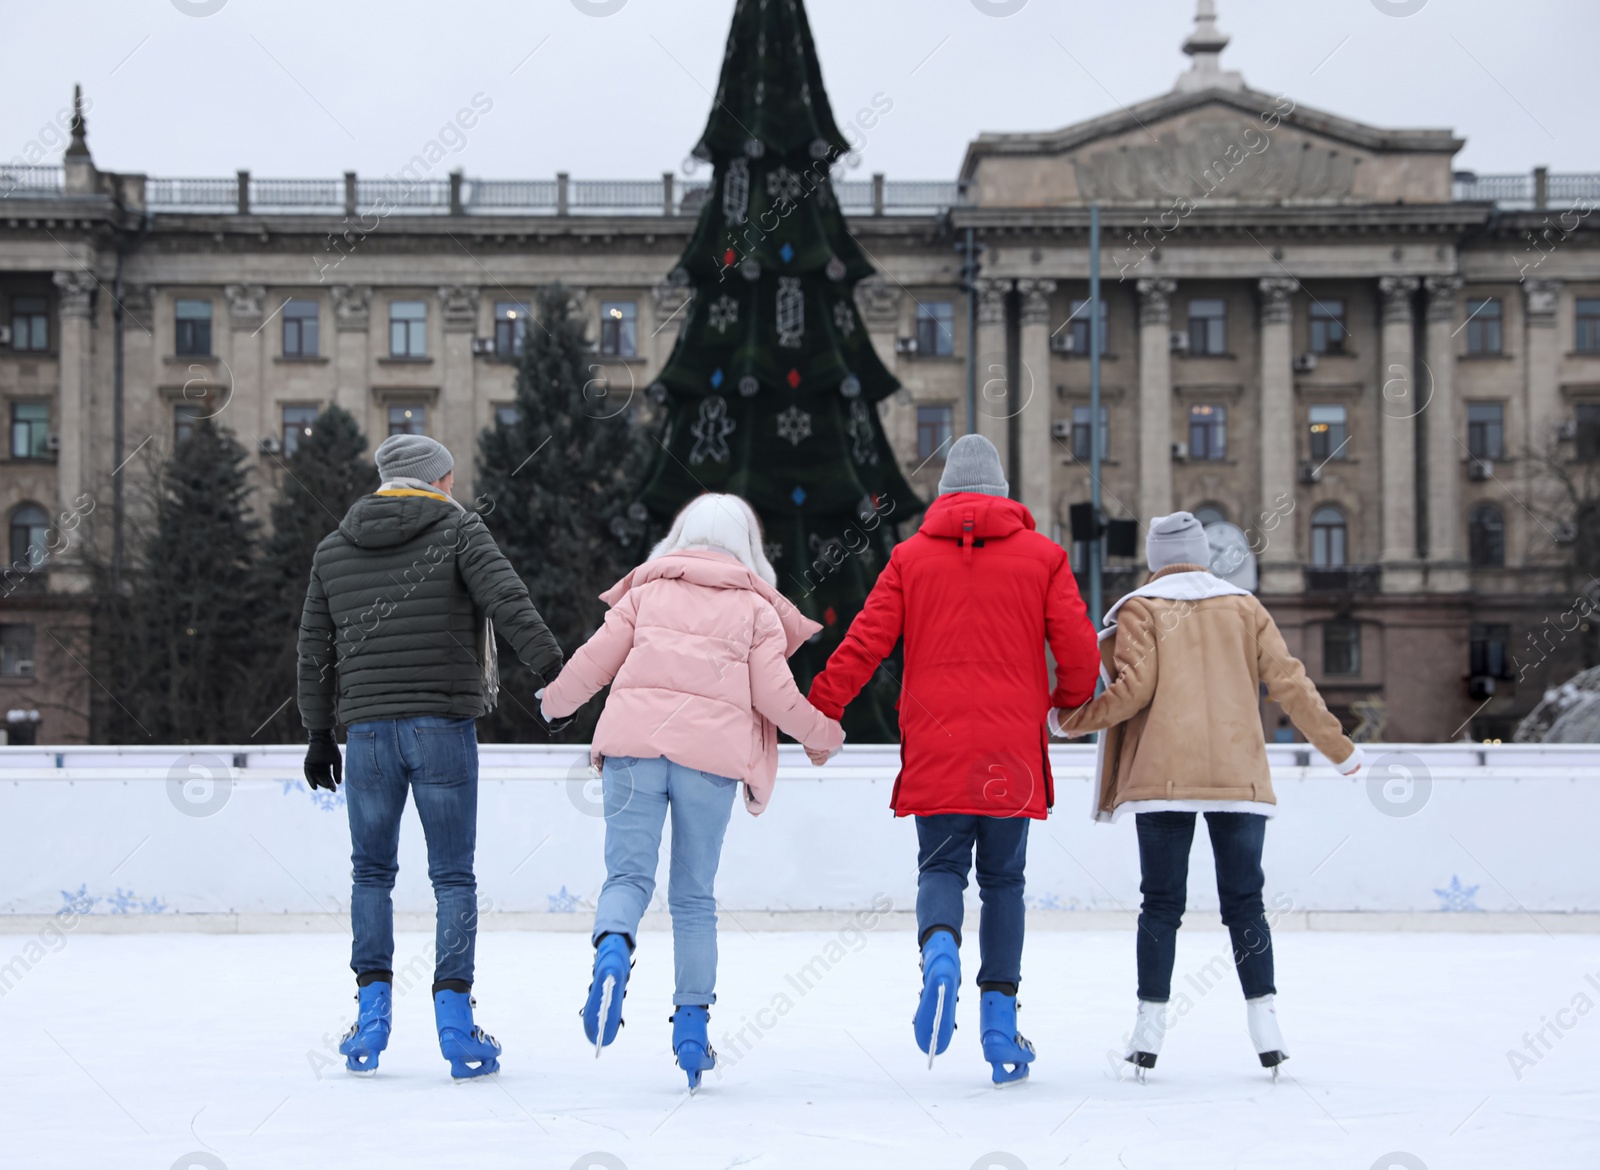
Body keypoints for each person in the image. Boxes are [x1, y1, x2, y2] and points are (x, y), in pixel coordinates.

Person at [805, 434, 1099, 1085]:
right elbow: (1079, 650)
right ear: (1002, 492)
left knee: (940, 868)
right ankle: (999, 1020)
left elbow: (864, 643)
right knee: (1003, 885)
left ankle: (939, 946)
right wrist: (1070, 704)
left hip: (936, 748)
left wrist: (822, 709)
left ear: (943, 497)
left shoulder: (909, 559)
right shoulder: (1044, 558)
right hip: (1012, 753)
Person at [539, 492, 844, 1090]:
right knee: (693, 898)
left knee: (627, 878)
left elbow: (594, 660)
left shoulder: (646, 592)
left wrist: (554, 703)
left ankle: (613, 951)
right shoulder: (754, 609)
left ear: (679, 537)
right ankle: (691, 1029)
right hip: (710, 763)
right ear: (747, 548)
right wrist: (822, 735)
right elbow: (778, 698)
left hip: (632, 749)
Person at [1054, 512, 1364, 1081]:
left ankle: (1147, 1033)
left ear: (1154, 559)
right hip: (1237, 776)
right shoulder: (1245, 607)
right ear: (1202, 554)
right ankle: (1266, 1026)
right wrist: (1339, 749)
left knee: (1161, 904)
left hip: (1162, 779)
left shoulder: (1142, 609)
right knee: (1245, 902)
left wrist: (1070, 720)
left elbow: (1131, 692)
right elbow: (1290, 684)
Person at [298, 433, 564, 1080]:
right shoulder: (458, 530)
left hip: (364, 736)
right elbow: (508, 601)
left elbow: (314, 652)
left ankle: (371, 1017)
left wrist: (317, 734)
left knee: (371, 875)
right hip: (442, 726)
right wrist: (557, 672)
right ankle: (454, 1023)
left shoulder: (334, 549)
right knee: (452, 877)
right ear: (436, 480)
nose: (454, 488)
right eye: (450, 477)